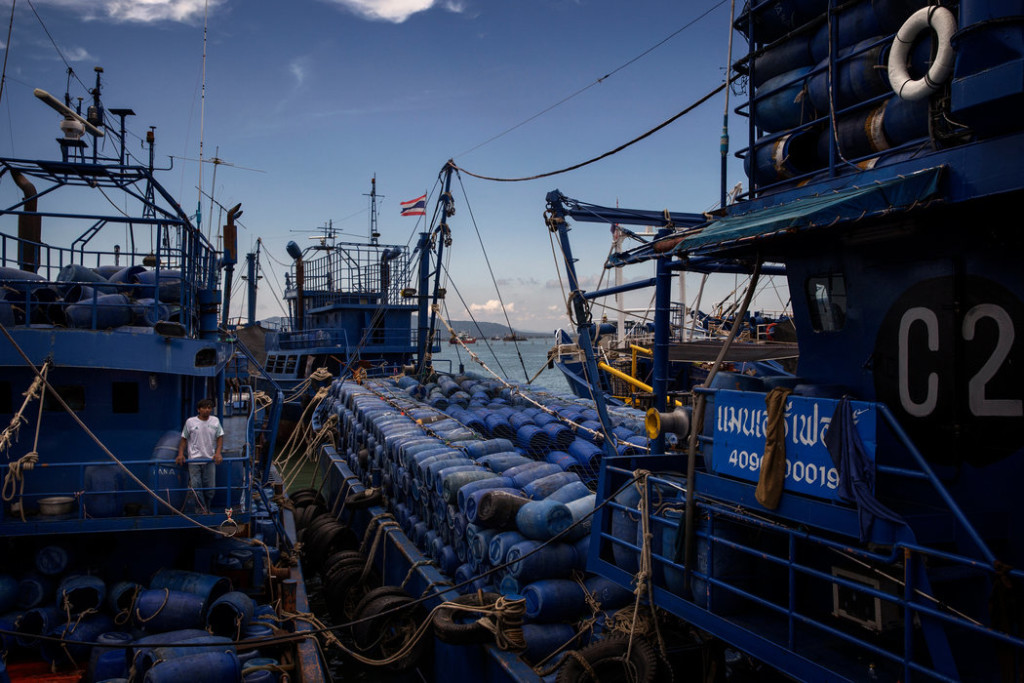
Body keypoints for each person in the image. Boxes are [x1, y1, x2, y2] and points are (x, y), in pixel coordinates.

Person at [176, 398, 224, 513]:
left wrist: (218, 453)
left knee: (210, 489)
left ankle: (206, 507)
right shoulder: (190, 422)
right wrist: (180, 454)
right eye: (204, 408)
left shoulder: (215, 421)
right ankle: (202, 510)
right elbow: (183, 439)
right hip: (194, 461)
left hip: (209, 460)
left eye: (209, 408)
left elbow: (220, 437)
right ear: (198, 409)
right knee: (197, 488)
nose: (207, 410)